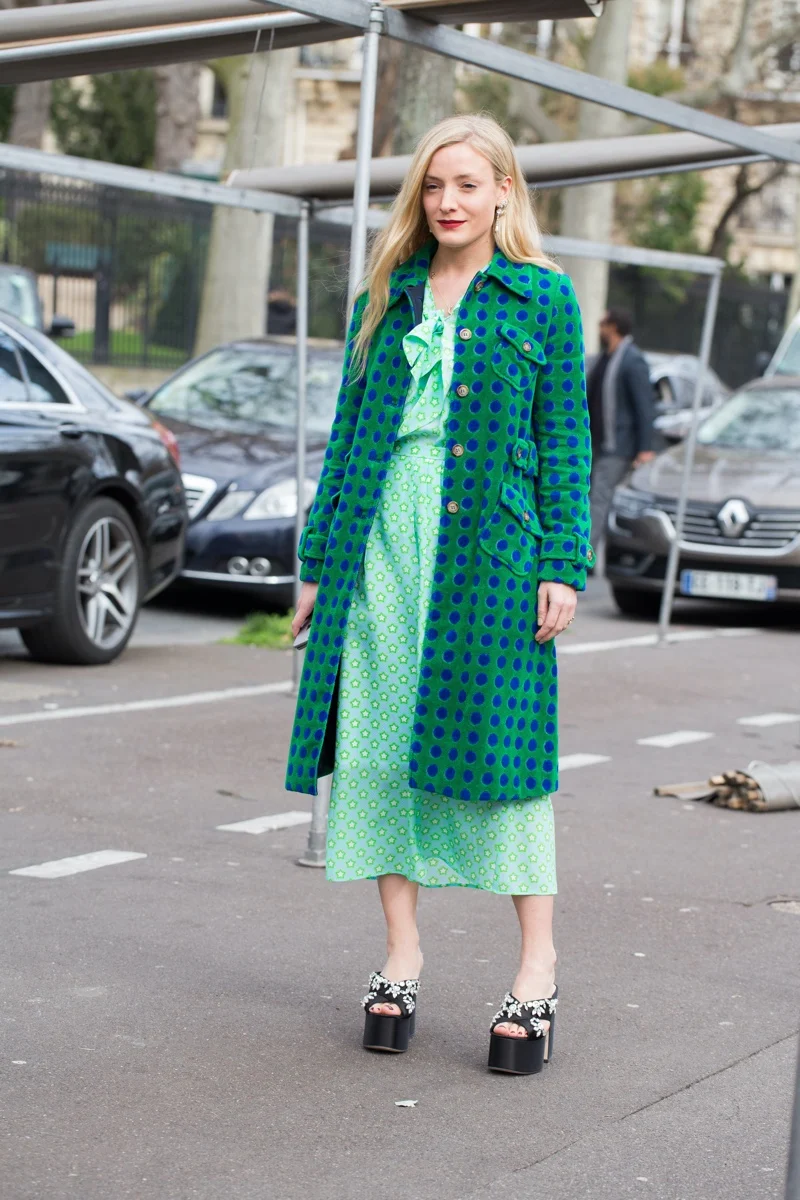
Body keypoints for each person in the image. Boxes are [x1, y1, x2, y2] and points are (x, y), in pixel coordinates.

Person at [286, 114, 593, 1076]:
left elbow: (564, 440)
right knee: (375, 745)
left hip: (490, 555)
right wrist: (317, 562)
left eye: (466, 184)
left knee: (505, 757)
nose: (448, 202)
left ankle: (537, 969)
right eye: (433, 185)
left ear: (504, 190)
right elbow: (347, 438)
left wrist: (562, 561)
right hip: (380, 543)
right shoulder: (387, 294)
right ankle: (401, 956)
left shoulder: (543, 296)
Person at [586, 308, 656, 561]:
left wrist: (644, 448)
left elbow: (644, 406)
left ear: (613, 327)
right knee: (592, 497)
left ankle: (585, 557)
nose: (599, 328)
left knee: (599, 498)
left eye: (603, 323)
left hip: (617, 446)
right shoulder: (606, 358)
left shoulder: (632, 360)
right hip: (596, 444)